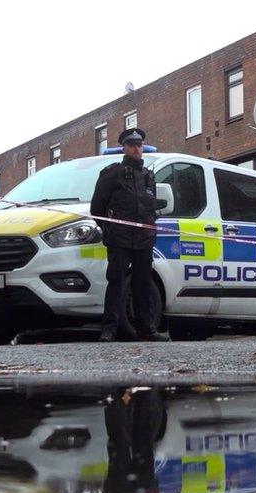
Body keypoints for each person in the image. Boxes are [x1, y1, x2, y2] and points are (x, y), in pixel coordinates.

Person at [90, 128, 169, 342]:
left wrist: (150, 228)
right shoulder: (112, 174)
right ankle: (109, 330)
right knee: (116, 283)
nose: (136, 149)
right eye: (132, 145)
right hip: (119, 240)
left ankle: (147, 329)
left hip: (143, 240)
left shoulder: (148, 177)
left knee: (142, 284)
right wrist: (109, 230)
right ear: (124, 148)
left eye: (139, 145)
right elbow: (97, 208)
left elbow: (150, 208)